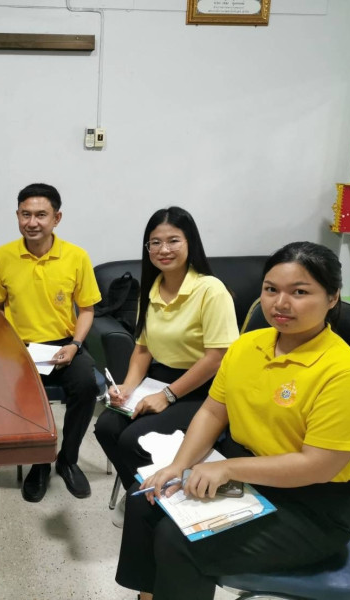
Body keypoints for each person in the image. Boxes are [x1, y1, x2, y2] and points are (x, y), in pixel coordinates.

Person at [117, 241, 350, 600]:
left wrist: (227, 469)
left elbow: (318, 466)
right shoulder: (247, 345)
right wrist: (179, 465)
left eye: (299, 292)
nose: (280, 303)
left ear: (332, 298)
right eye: (271, 290)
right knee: (145, 497)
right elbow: (212, 411)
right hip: (250, 476)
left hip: (310, 506)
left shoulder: (344, 372)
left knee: (179, 540)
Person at [94, 206, 239, 525]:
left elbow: (217, 357)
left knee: (133, 440)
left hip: (206, 387)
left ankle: (158, 499)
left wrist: (168, 396)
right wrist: (127, 387)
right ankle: (144, 491)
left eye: (173, 240)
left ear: (190, 243)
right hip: (159, 379)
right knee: (106, 428)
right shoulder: (152, 287)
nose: (164, 249)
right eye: (155, 242)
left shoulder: (210, 290)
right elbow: (143, 349)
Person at [0, 183, 101, 502]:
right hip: (20, 347)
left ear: (56, 218)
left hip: (66, 343)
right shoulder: (2, 256)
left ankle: (68, 460)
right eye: (25, 214)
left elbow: (87, 310)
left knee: (86, 385)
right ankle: (40, 463)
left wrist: (75, 345)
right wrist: (6, 345)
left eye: (41, 215)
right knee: (26, 396)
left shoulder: (76, 256)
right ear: (17, 216)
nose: (32, 222)